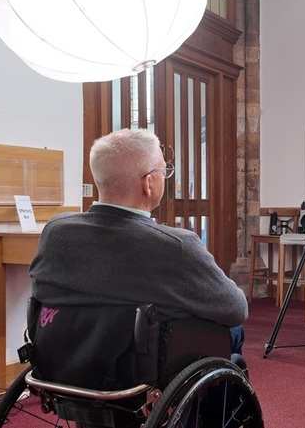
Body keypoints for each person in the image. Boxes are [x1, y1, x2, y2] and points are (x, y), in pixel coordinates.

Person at [29, 128, 248, 355]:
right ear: (149, 183)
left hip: (65, 357)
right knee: (234, 330)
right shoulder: (175, 245)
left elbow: (42, 293)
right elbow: (234, 308)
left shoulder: (56, 231)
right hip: (136, 367)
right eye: (165, 171)